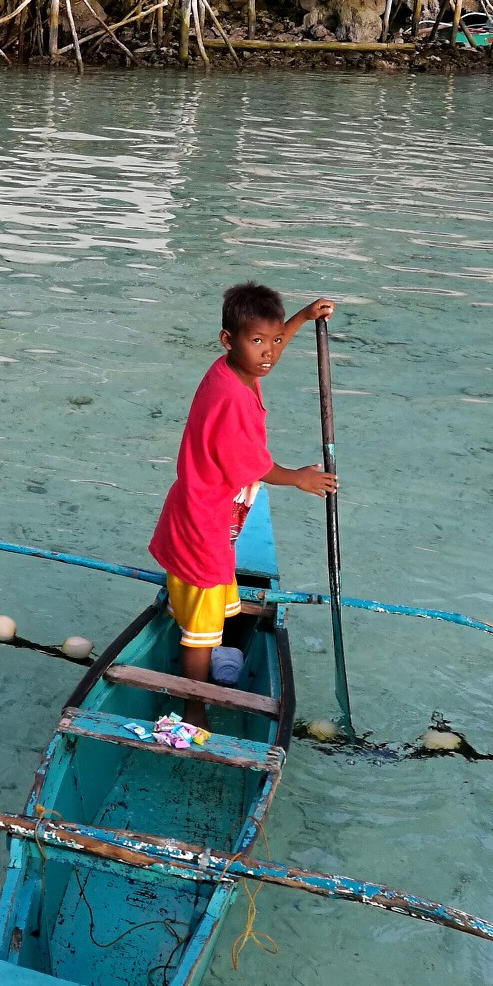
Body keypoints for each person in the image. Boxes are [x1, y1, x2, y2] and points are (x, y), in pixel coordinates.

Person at [149, 282, 337, 727]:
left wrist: (301, 318)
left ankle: (210, 663)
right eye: (258, 342)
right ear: (227, 340)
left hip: (200, 511)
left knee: (206, 607)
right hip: (203, 526)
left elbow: (266, 345)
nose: (269, 353)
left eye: (274, 342)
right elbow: (251, 465)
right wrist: (300, 479)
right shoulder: (232, 397)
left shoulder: (234, 370)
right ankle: (194, 707)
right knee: (199, 634)